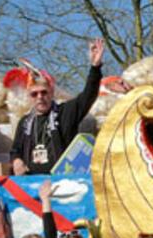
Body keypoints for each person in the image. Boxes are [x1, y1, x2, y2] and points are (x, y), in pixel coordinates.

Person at [10, 40, 105, 174]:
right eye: (34, 94)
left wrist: (95, 67)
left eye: (44, 92)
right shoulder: (25, 122)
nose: (40, 97)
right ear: (29, 97)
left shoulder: (65, 112)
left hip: (61, 180)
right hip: (31, 182)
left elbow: (88, 95)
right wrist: (16, 161)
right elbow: (15, 150)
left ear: (52, 93)